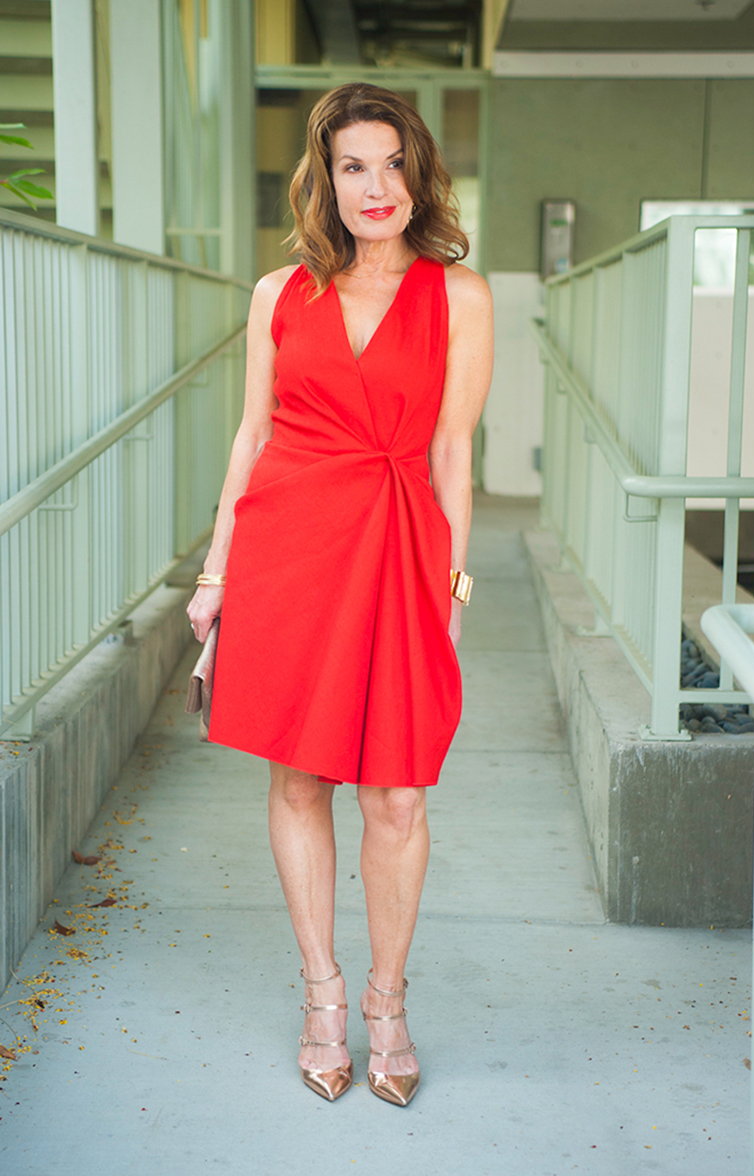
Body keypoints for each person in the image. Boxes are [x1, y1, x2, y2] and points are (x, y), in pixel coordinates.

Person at [186, 83, 493, 1107]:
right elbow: (253, 437)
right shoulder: (279, 294)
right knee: (301, 779)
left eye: (395, 164)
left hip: (402, 544)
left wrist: (450, 582)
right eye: (355, 166)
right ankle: (321, 993)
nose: (378, 187)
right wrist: (216, 572)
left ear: (420, 175)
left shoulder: (461, 296)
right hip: (290, 548)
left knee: (398, 793)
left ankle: (386, 1001)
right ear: (324, 177)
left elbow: (454, 450)